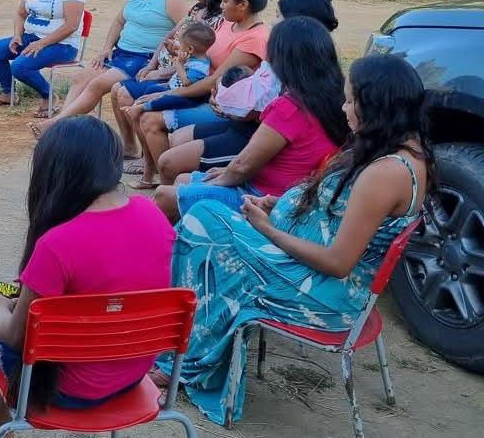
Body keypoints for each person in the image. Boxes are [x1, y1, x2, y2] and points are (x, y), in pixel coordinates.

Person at [157, 54, 431, 425]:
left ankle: (183, 360)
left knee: (203, 222)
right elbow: (342, 218)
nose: (344, 107)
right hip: (318, 277)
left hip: (325, 297)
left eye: (351, 100)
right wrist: (279, 207)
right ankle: (180, 344)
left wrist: (269, 229)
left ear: (377, 107)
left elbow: (339, 262)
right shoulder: (405, 152)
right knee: (209, 222)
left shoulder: (386, 173)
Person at [0, 116, 176, 438]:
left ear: (53, 170)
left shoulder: (57, 244)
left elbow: (15, 337)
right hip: (130, 375)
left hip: (68, 390)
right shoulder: (152, 213)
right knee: (25, 309)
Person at [144, 0, 341, 183]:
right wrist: (228, 103)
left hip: (254, 136)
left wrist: (231, 106)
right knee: (176, 140)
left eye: (278, 16)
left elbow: (271, 118)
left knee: (171, 165)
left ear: (300, 24)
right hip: (241, 124)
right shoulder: (283, 58)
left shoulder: (299, 76)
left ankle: (171, 201)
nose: (273, 23)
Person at [154, 17, 350, 221]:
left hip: (263, 197)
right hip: (291, 192)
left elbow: (243, 166)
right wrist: (223, 173)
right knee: (182, 180)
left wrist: (213, 182)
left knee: (163, 195)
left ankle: (173, 246)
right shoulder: (335, 96)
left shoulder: (290, 106)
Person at [31, 0, 188, 140]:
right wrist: (106, 48)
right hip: (120, 53)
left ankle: (56, 124)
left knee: (97, 84)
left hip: (144, 59)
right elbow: (119, 22)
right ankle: (65, 126)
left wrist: (164, 60)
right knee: (81, 78)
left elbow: (185, 30)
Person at [130, 0, 276, 172]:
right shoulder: (227, 22)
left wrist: (166, 93)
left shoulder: (255, 39)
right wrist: (181, 53)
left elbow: (214, 79)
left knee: (150, 118)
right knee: (143, 101)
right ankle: (155, 171)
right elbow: (203, 55)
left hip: (219, 104)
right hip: (197, 89)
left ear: (243, 5)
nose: (221, 5)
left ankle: (164, 178)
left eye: (225, 1)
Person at [118, 22, 217, 189]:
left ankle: (142, 108)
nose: (179, 48)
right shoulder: (193, 57)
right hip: (175, 89)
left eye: (182, 45)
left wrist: (178, 64)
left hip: (188, 98)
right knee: (150, 89)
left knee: (158, 103)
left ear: (190, 49)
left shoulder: (199, 66)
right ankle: (149, 170)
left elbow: (186, 84)